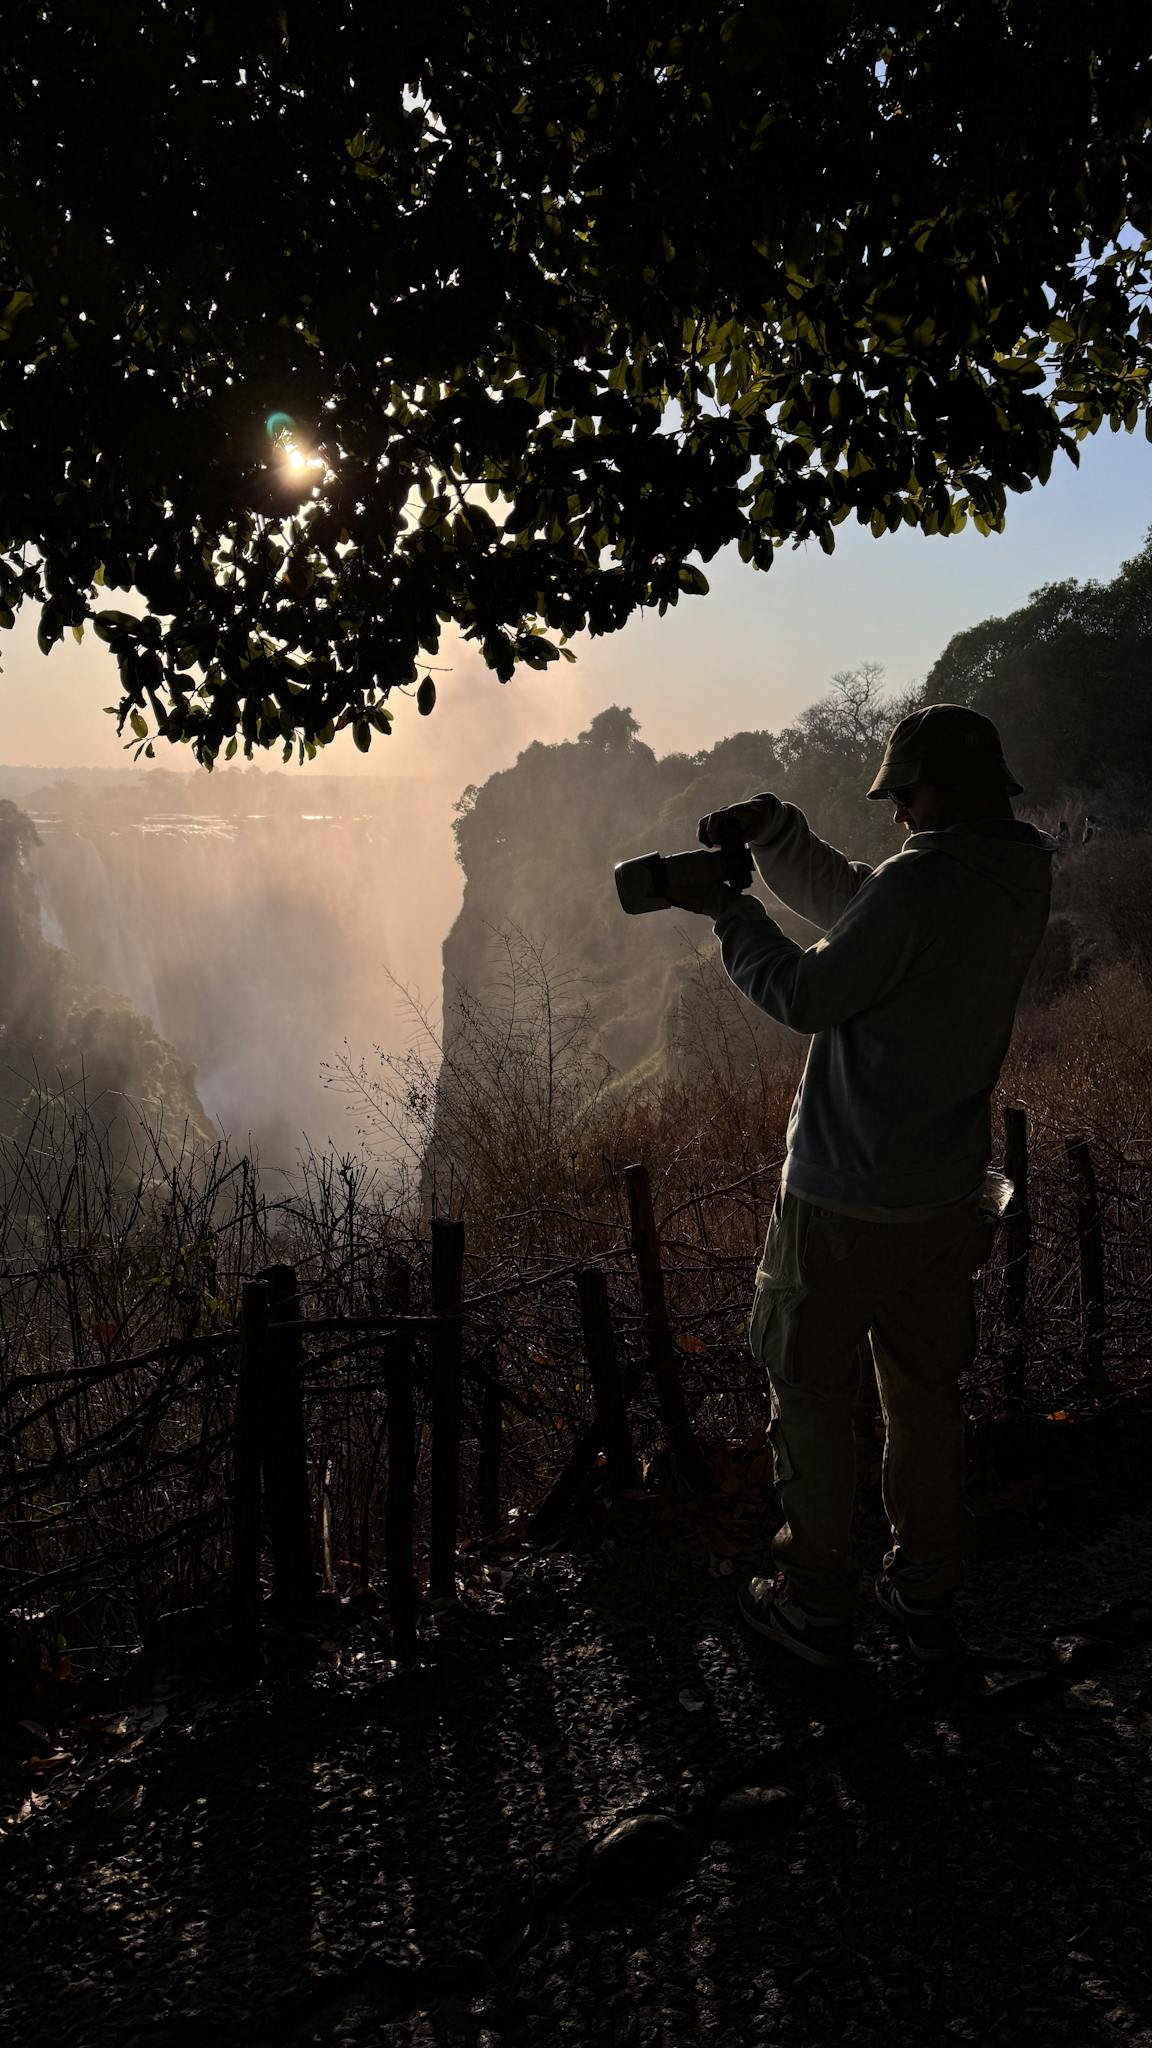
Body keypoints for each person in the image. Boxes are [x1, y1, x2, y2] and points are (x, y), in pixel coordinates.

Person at [667, 703, 1055, 1667]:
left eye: (904, 795)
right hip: (945, 1188)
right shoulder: (1014, 871)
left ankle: (815, 1604)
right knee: (926, 1395)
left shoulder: (924, 881)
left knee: (807, 1389)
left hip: (846, 1194)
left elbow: (808, 993)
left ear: (935, 791)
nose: (896, 814)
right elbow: (873, 908)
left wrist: (732, 913)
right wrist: (778, 837)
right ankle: (925, 1587)